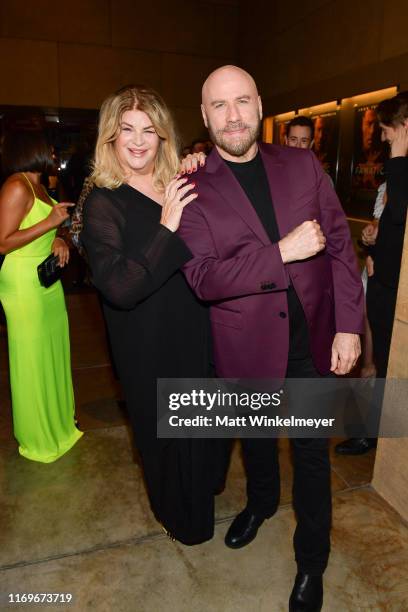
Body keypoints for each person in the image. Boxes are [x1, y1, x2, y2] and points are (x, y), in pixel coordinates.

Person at [178, 65, 364, 611]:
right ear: (205, 115)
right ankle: (260, 503)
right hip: (245, 347)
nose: (232, 115)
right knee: (257, 442)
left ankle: (311, 563)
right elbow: (204, 278)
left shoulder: (303, 163)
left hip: (312, 347)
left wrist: (350, 324)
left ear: (260, 105)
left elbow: (340, 251)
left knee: (311, 458)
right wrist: (279, 252)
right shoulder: (191, 186)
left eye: (241, 102)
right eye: (219, 105)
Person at [80, 85, 219, 545]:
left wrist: (204, 167)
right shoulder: (104, 201)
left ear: (163, 137)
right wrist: (166, 226)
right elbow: (119, 286)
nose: (138, 141)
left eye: (149, 130)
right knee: (163, 437)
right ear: (110, 138)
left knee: (201, 428)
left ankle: (200, 500)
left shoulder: (176, 181)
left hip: (194, 326)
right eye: (127, 130)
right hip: (144, 338)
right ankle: (175, 514)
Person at [0, 130, 83, 463]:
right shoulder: (16, 185)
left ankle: (59, 423)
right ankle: (37, 436)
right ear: (30, 149)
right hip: (23, 284)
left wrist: (58, 237)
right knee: (32, 362)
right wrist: (50, 222)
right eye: (48, 146)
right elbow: (3, 242)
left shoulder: (38, 184)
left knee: (54, 354)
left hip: (46, 281)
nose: (53, 151)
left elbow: (46, 225)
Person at [337, 92, 408, 455]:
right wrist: (373, 236)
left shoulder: (400, 167)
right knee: (377, 362)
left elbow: (398, 217)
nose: (381, 138)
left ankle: (378, 439)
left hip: (396, 290)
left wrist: (399, 156)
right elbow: (391, 223)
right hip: (383, 283)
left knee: (386, 366)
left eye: (385, 130)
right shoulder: (396, 173)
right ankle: (371, 434)